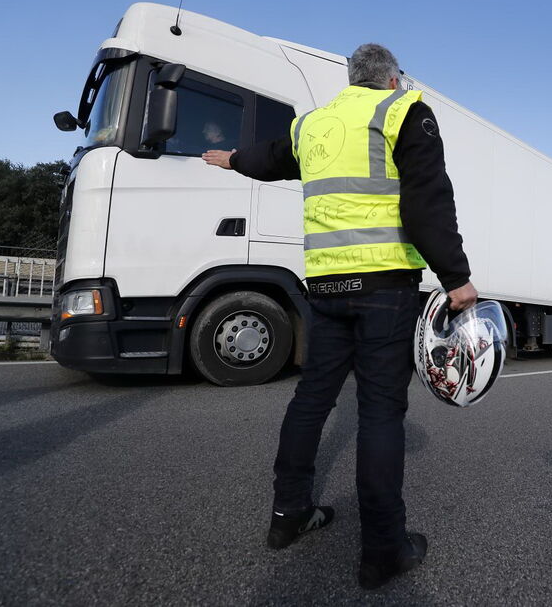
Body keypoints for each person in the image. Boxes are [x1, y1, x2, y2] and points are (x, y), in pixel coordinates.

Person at [202, 43, 477, 589]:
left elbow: (269, 158)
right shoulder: (404, 111)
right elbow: (427, 202)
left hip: (325, 286)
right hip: (385, 287)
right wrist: (456, 277)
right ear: (392, 77)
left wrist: (231, 159)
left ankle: (288, 516)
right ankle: (382, 551)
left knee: (311, 401)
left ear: (353, 79)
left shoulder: (314, 125)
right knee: (379, 414)